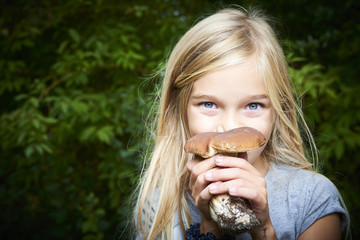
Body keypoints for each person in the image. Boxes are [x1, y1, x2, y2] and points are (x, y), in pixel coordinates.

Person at [133, 7, 349, 240]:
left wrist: (262, 229)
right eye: (208, 104)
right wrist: (209, 227)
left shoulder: (311, 198)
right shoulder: (159, 208)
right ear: (180, 109)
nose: (229, 127)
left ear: (278, 110)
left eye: (253, 106)